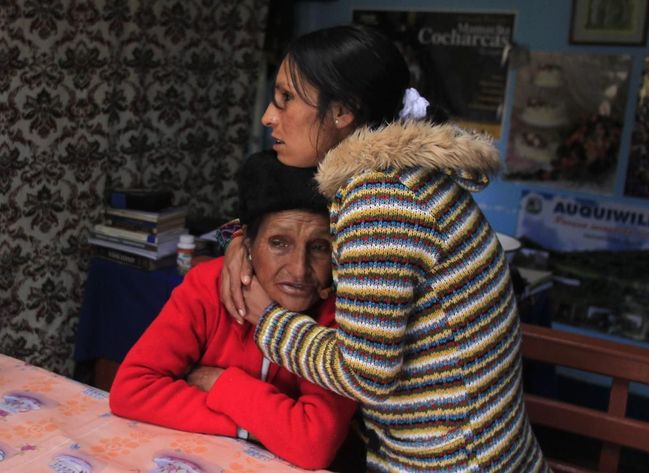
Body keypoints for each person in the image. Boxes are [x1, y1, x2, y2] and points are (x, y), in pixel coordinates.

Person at [219, 24, 549, 472]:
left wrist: (266, 319)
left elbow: (366, 376)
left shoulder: (378, 199)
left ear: (341, 112)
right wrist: (242, 237)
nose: (268, 117)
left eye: (286, 98)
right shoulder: (401, 173)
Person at [108, 152, 357, 471]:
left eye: (320, 247)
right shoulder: (207, 287)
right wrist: (266, 428)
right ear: (246, 244)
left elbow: (313, 445)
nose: (298, 270)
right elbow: (131, 390)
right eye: (279, 243)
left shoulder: (342, 313)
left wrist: (222, 383)